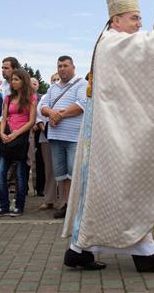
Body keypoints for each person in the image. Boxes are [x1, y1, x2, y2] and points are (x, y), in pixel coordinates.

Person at [61, 0, 154, 273]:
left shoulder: (109, 42)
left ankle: (79, 250)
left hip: (111, 130)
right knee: (125, 189)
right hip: (113, 134)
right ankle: (146, 255)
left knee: (108, 191)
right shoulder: (113, 42)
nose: (139, 23)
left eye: (139, 17)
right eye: (134, 18)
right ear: (116, 19)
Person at [40, 56, 88, 219]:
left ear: (73, 67)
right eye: (59, 66)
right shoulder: (52, 88)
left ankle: (79, 207)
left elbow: (82, 104)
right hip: (56, 137)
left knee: (75, 173)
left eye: (65, 65)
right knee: (63, 175)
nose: (62, 68)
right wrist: (51, 113)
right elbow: (42, 106)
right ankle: (68, 205)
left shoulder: (82, 84)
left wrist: (58, 115)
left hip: (74, 138)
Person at [0, 69, 38, 217]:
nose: (13, 82)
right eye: (12, 80)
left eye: (17, 79)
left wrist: (16, 134)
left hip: (21, 139)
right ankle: (4, 205)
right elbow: (4, 118)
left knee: (20, 174)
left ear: (23, 81)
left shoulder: (31, 98)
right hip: (7, 137)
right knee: (0, 172)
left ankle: (19, 205)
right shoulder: (8, 98)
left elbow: (31, 121)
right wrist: (2, 133)